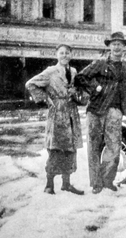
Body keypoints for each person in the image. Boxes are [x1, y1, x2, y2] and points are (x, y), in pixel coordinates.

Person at [74, 32, 126, 194]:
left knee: (114, 147)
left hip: (115, 112)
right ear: (109, 46)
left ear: (123, 47)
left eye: (120, 44)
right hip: (96, 110)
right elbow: (80, 78)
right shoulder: (99, 63)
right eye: (114, 44)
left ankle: (107, 180)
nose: (117, 47)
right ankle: (96, 183)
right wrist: (95, 87)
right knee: (94, 147)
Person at [25, 44, 84, 195]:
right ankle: (49, 184)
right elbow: (30, 84)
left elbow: (77, 89)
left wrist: (75, 92)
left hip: (71, 113)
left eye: (67, 53)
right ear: (56, 55)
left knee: (70, 148)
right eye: (61, 53)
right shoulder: (50, 71)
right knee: (55, 148)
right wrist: (45, 98)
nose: (64, 55)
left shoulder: (73, 71)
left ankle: (66, 183)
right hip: (57, 112)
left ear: (71, 54)